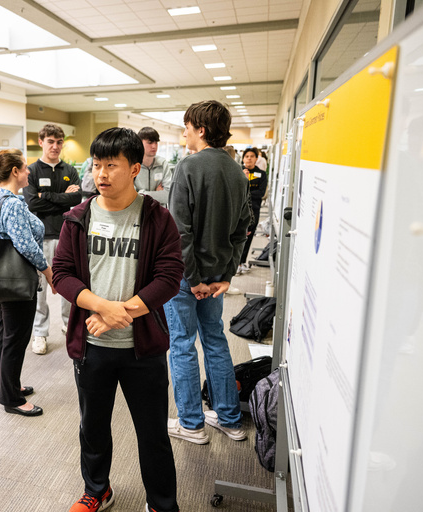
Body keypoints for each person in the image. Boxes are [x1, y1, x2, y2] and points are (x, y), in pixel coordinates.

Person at [53, 127, 184, 512]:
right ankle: (97, 490)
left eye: (111, 165)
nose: (101, 174)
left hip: (142, 348)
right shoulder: (78, 217)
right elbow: (61, 273)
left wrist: (119, 313)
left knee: (152, 433)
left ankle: (161, 503)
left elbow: (169, 276)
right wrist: (101, 306)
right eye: (97, 165)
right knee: (92, 427)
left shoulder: (157, 218)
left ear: (135, 169)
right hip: (91, 346)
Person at [165, 101, 251, 446]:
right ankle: (229, 419)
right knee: (215, 341)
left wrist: (193, 279)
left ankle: (191, 424)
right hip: (216, 278)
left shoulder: (188, 167)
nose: (184, 134)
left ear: (200, 130)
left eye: (187, 128)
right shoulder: (237, 172)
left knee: (182, 345)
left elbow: (179, 233)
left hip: (187, 278)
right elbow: (241, 230)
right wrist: (226, 275)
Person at [0, 149, 55, 417]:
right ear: (15, 171)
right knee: (15, 339)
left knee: (5, 335)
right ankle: (12, 398)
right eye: (25, 168)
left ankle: (6, 386)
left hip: (3, 279)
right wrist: (47, 271)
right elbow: (25, 245)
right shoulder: (13, 204)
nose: (28, 172)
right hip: (17, 281)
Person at [24, 123, 82, 355]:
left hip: (66, 235)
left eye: (59, 142)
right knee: (40, 288)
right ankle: (40, 332)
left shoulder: (70, 170)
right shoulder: (31, 171)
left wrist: (45, 196)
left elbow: (76, 199)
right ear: (41, 142)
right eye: (50, 141)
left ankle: (69, 324)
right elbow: (32, 203)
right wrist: (61, 197)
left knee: (67, 282)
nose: (55, 146)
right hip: (40, 237)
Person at [238, 147, 268, 273]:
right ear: (243, 159)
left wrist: (245, 193)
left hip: (254, 209)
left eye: (252, 156)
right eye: (247, 156)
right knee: (237, 236)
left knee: (249, 236)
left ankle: (242, 262)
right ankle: (235, 263)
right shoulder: (237, 172)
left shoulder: (261, 174)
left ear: (256, 159)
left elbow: (261, 193)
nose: (249, 158)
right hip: (238, 209)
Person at [134, 126, 174, 206]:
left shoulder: (162, 164)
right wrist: (157, 194)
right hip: (139, 211)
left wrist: (142, 193)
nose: (154, 146)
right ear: (140, 143)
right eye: (150, 142)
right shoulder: (133, 165)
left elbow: (169, 194)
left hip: (159, 211)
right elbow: (132, 197)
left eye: (156, 143)